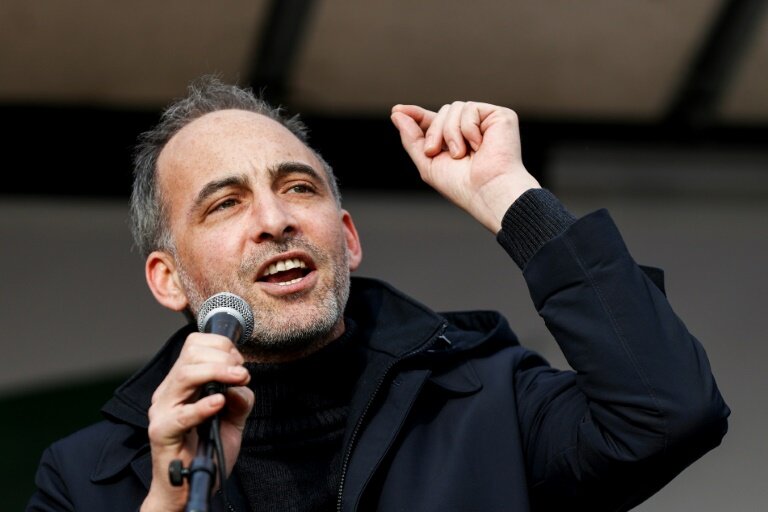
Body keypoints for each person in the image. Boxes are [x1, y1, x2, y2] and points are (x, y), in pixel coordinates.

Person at [28, 76, 729, 512]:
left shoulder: (487, 402)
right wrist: (169, 501)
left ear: (348, 237)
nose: (275, 221)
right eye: (226, 204)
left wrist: (510, 198)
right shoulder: (87, 478)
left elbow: (671, 414)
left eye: (299, 188)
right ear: (168, 278)